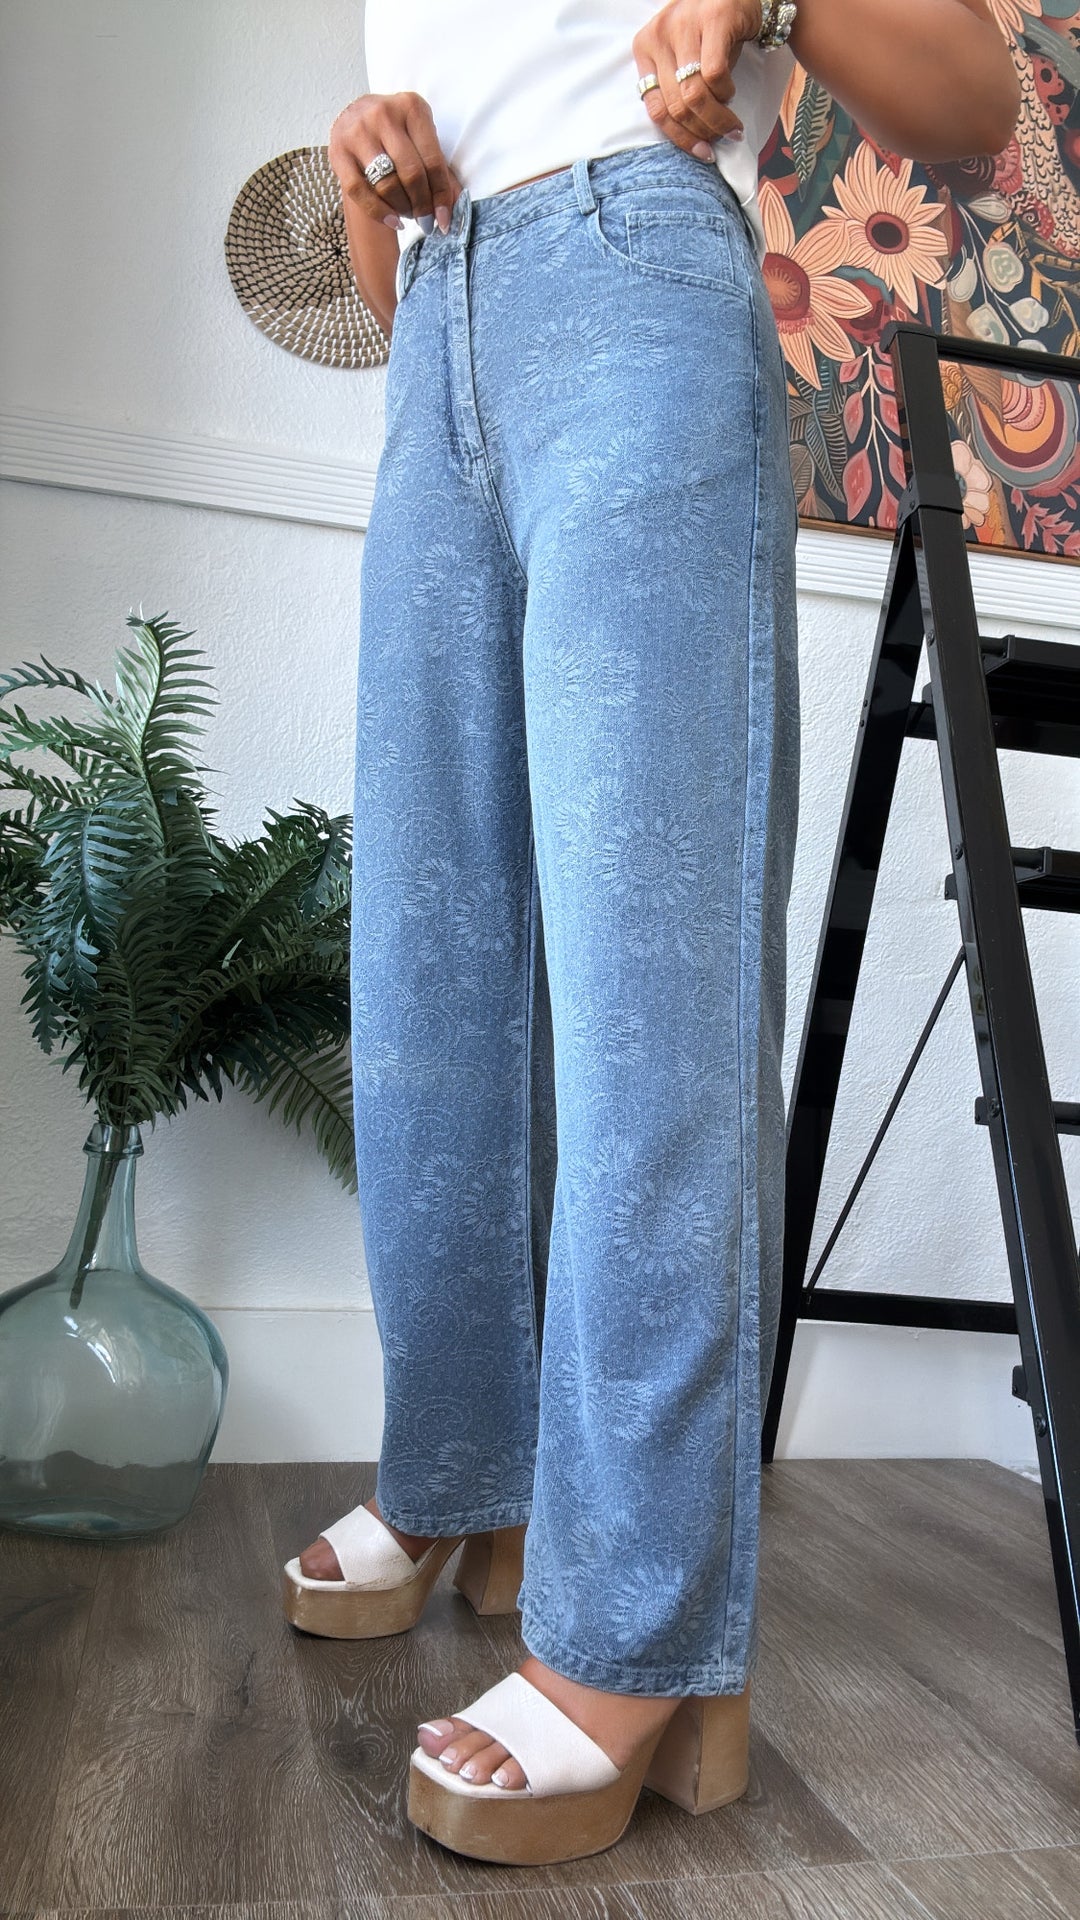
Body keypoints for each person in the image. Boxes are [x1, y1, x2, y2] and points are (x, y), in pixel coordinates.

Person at [282, 0, 1020, 1868]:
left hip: (637, 281)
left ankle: (635, 1630)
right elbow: (396, 265)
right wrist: (373, 183)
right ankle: (466, 1472)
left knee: (646, 993)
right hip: (439, 336)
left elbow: (973, 99)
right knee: (430, 988)